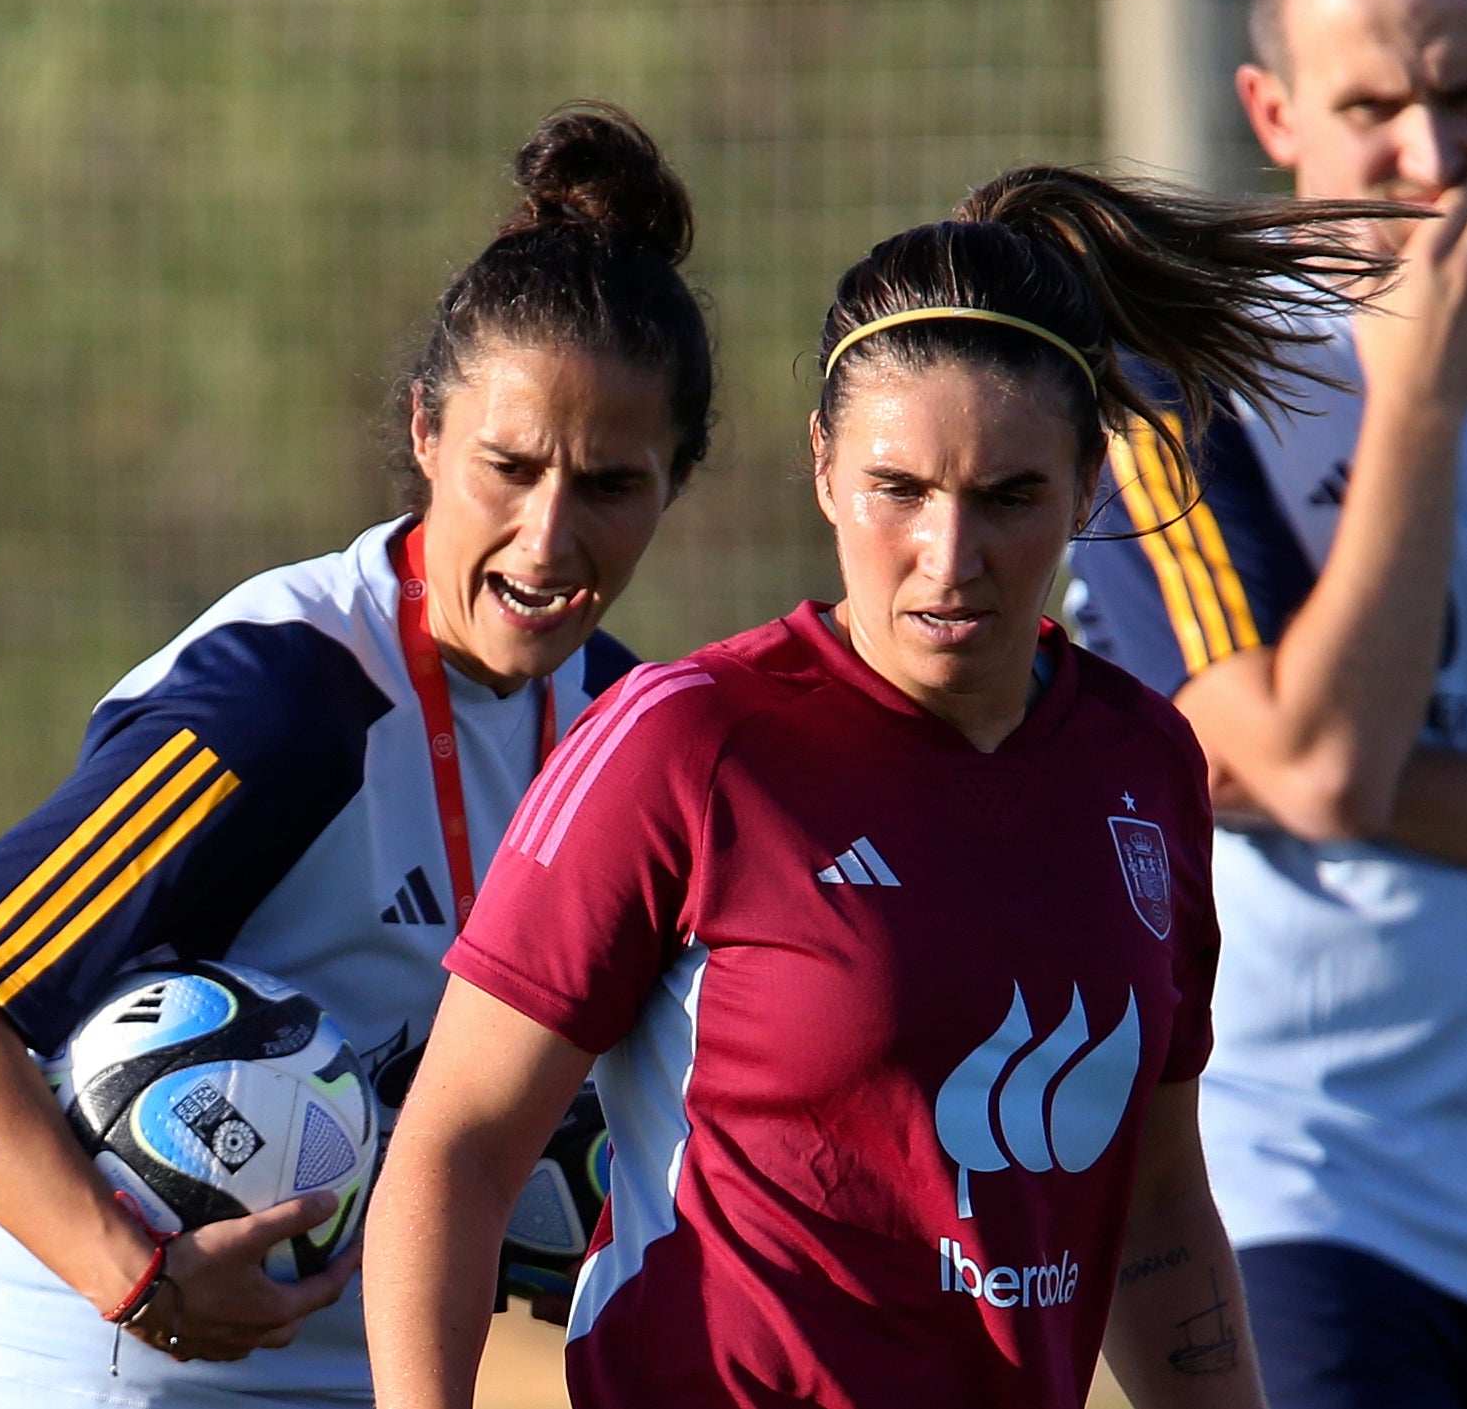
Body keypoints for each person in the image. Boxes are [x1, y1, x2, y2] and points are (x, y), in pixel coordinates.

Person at [363, 166, 1410, 1409]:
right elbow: (456, 1147)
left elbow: (1157, 1204)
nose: (947, 557)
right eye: (897, 490)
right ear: (823, 467)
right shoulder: (685, 741)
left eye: (1009, 497)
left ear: (1088, 482)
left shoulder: (1142, 765)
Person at [0, 102, 711, 1408]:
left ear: (675, 482)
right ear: (424, 433)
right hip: (106, 1381)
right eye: (508, 467)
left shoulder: (629, 730)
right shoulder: (289, 697)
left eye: (610, 485)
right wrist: (140, 1278)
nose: (545, 536)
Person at [1066, 0, 1467, 1403]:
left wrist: (1325, 766)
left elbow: (1309, 766)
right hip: (1307, 1189)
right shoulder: (1174, 378)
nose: (1429, 152)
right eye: (1371, 105)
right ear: (1272, 114)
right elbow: (1301, 762)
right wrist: (1420, 406)